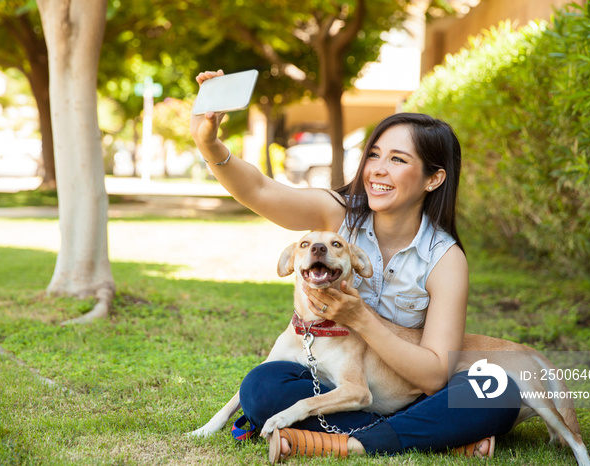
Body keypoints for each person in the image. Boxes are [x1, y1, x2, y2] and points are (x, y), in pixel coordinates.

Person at [190, 70, 521, 462]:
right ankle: (421, 435)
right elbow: (261, 190)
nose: (377, 169)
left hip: (405, 390)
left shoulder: (445, 259)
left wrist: (360, 318)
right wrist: (209, 144)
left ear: (434, 178)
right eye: (374, 155)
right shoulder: (339, 215)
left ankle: (346, 439)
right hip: (338, 383)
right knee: (262, 388)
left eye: (397, 159)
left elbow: (434, 375)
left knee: (497, 394)